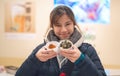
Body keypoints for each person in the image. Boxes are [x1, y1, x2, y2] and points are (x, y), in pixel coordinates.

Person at [15, 5, 106, 76]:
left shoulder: (88, 51)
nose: (63, 30)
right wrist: (35, 60)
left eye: (67, 24)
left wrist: (81, 60)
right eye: (58, 25)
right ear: (52, 27)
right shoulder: (41, 51)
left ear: (73, 24)